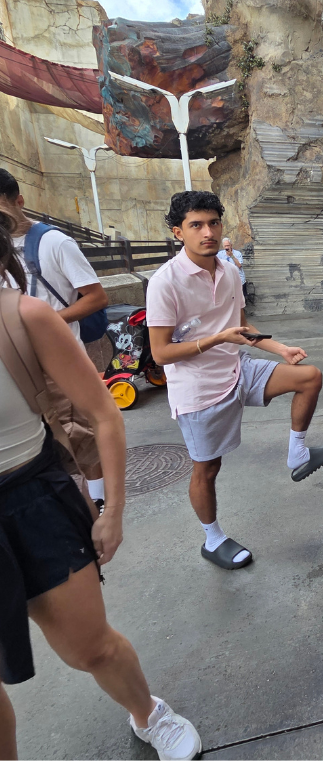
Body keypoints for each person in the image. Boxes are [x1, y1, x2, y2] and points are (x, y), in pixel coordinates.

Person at [0, 213, 201, 760]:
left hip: (29, 496)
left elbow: (104, 415)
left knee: (90, 647)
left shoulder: (23, 317)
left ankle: (148, 713)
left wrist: (112, 510)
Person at [147, 191, 323, 571]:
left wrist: (279, 348)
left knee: (309, 377)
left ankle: (297, 452)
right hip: (198, 388)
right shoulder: (164, 283)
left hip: (239, 366)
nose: (208, 232)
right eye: (196, 225)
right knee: (207, 468)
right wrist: (217, 339)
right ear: (178, 232)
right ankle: (213, 539)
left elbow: (242, 327)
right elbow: (161, 354)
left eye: (214, 223)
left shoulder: (230, 270)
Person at [0, 168, 109, 510]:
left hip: (58, 365)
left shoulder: (54, 242)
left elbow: (95, 297)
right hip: (13, 369)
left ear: (18, 201)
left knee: (84, 442)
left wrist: (40, 325)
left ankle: (99, 504)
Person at [217, 237, 247, 302]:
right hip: (227, 281)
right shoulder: (220, 255)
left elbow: (239, 265)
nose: (227, 247)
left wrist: (232, 256)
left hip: (239, 280)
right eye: (225, 246)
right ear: (223, 246)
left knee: (241, 300)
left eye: (228, 245)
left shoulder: (237, 253)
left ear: (231, 245)